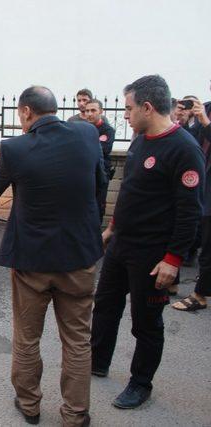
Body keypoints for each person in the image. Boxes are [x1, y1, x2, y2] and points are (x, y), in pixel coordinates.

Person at [0, 86, 107, 427]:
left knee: (27, 337)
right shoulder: (88, 135)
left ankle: (29, 405)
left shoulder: (15, 149)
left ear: (27, 112)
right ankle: (75, 416)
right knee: (77, 339)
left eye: (20, 115)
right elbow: (99, 183)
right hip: (79, 256)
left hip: (32, 261)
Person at [91, 75, 204, 410]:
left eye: (128, 108)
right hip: (121, 245)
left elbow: (189, 212)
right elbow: (130, 191)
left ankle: (140, 383)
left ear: (148, 107)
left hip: (153, 255)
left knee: (146, 323)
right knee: (106, 306)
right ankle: (97, 361)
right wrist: (111, 228)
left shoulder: (185, 149)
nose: (124, 115)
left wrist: (173, 259)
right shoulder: (140, 140)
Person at [172, 89, 211, 311]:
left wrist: (205, 121)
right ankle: (198, 291)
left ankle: (200, 295)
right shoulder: (206, 108)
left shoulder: (206, 115)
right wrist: (186, 121)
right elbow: (193, 141)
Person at [84, 99, 116, 221]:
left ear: (101, 111)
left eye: (93, 110)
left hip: (101, 174)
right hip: (86, 173)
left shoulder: (107, 130)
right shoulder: (82, 129)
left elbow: (103, 150)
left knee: (98, 204)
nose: (89, 114)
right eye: (87, 111)